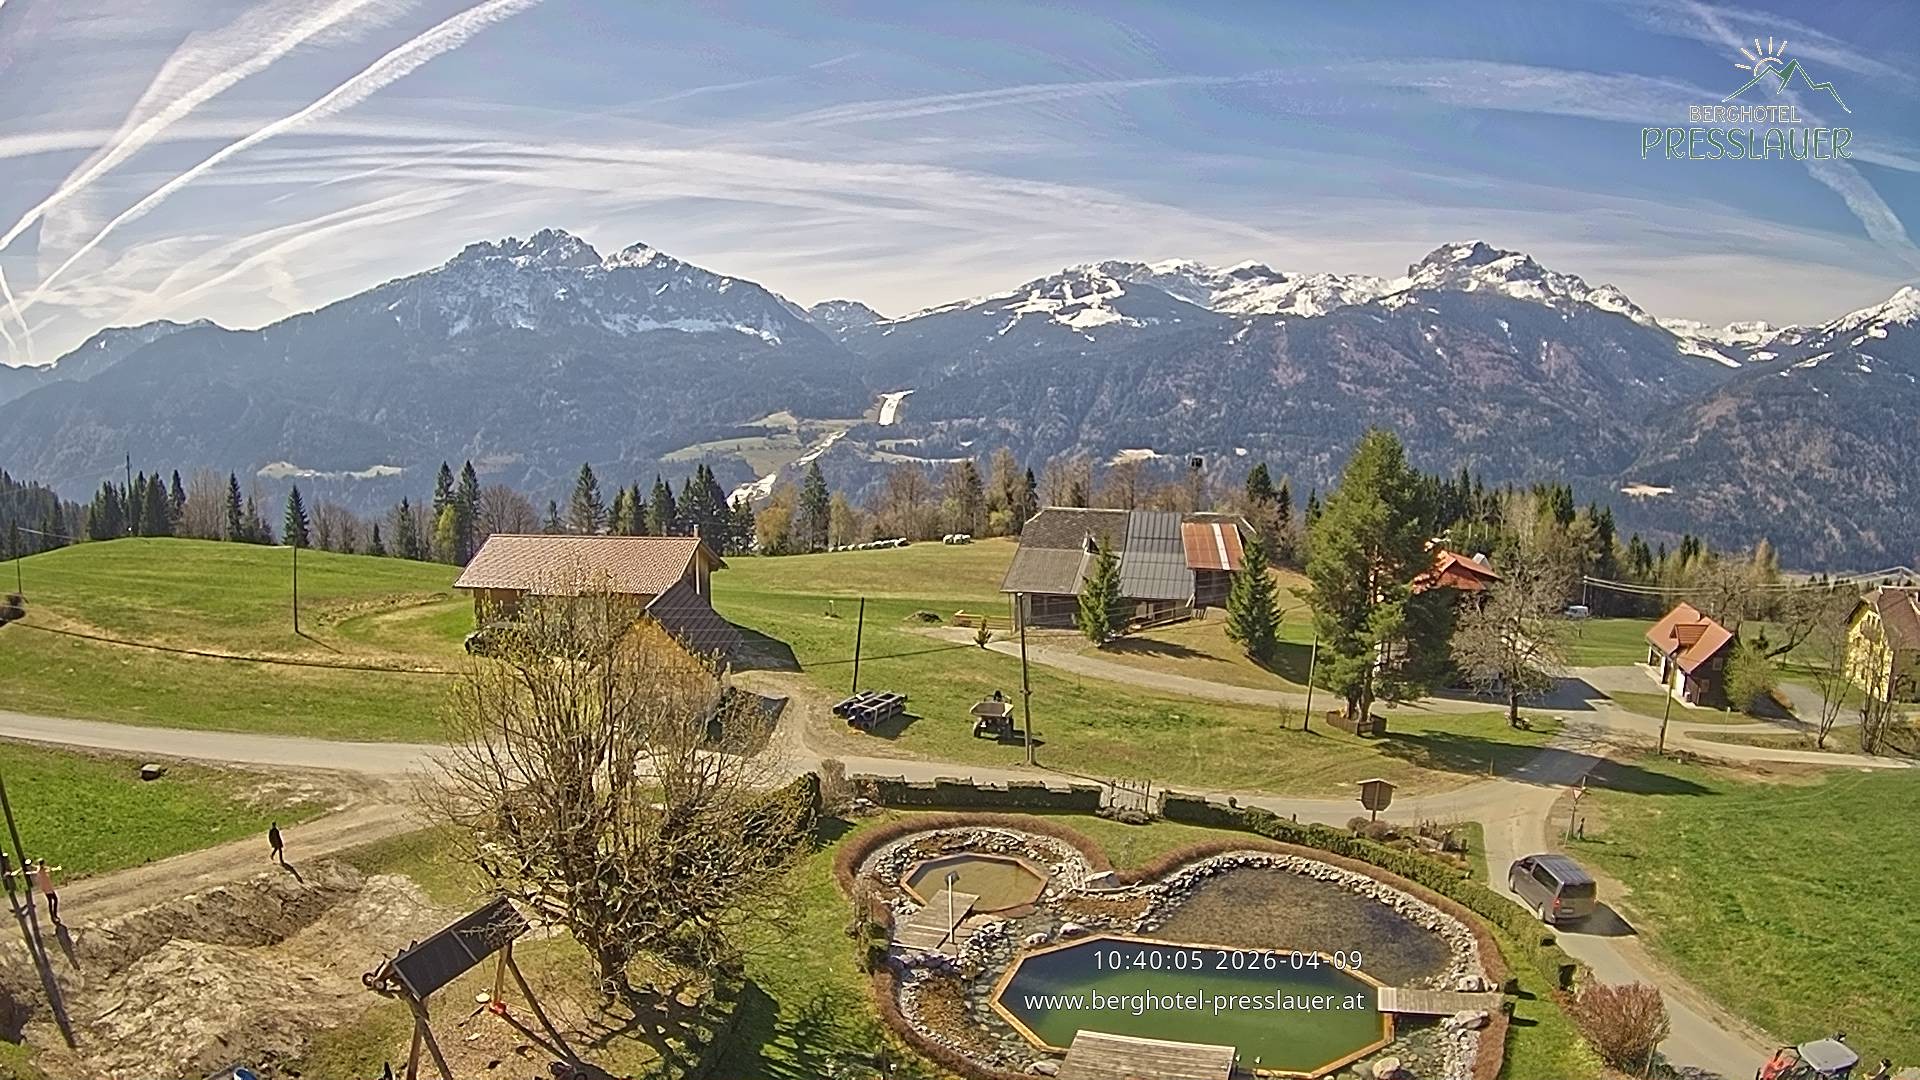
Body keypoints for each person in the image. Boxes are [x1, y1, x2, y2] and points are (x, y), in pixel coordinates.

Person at [31, 860, 58, 927]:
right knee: (52, 901)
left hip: (49, 888)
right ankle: (53, 915)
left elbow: (39, 867)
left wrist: (31, 865)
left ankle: (53, 914)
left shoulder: (41, 869)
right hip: (47, 888)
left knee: (54, 900)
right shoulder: (41, 871)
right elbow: (48, 870)